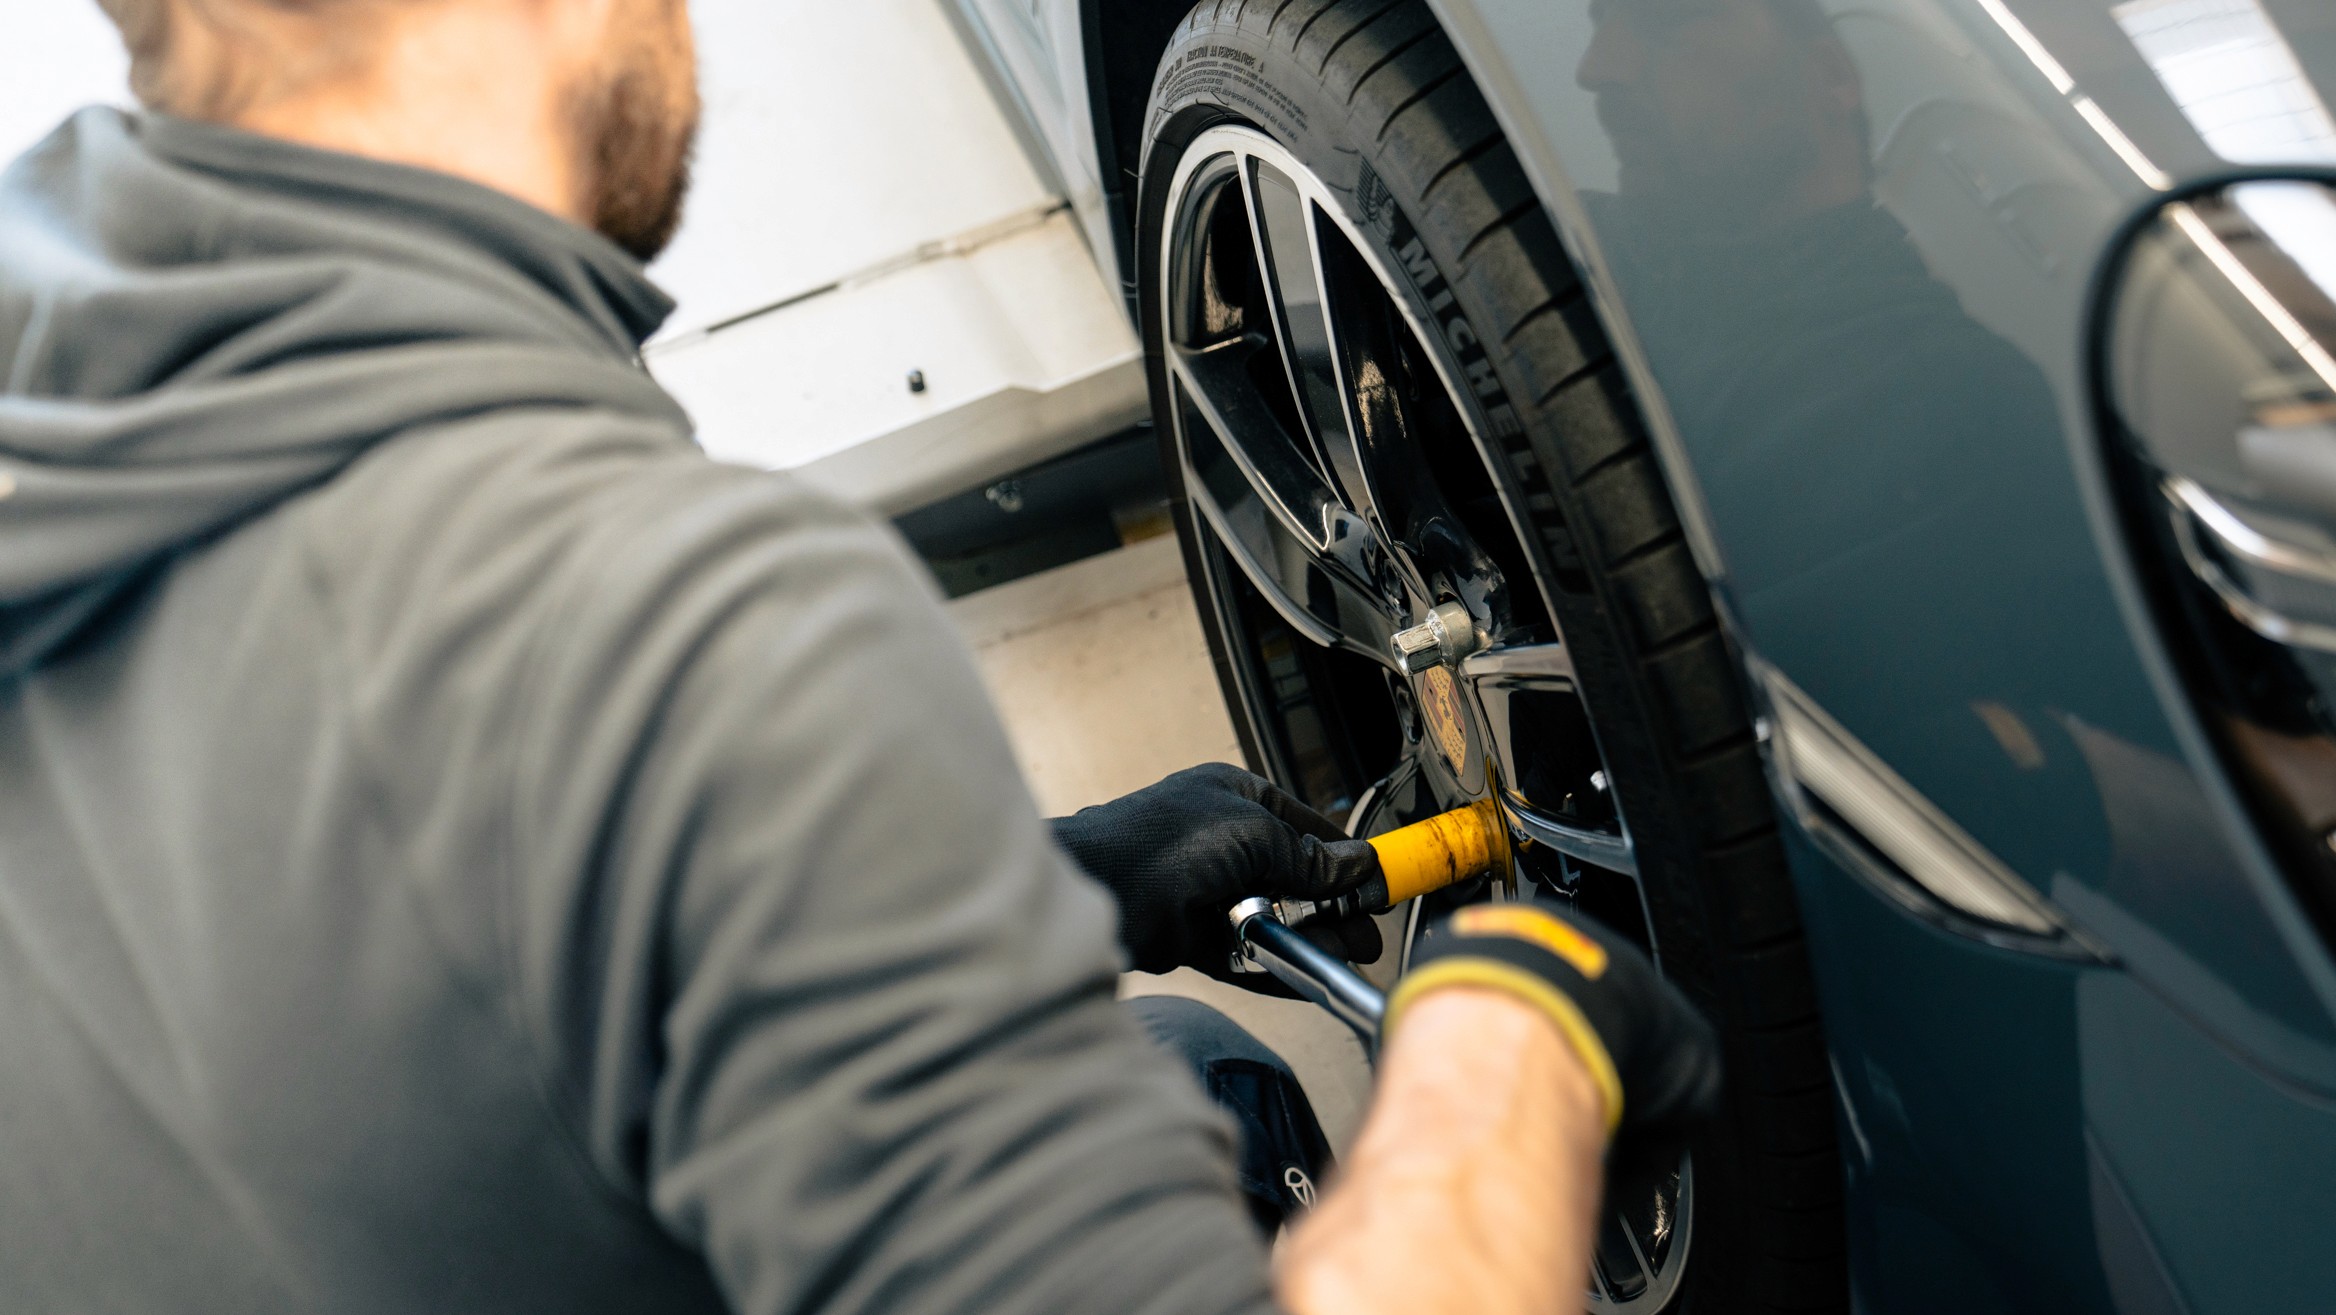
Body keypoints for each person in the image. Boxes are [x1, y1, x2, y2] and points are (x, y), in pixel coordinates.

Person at [0, 2, 1718, 1313]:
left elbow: (391, 1012)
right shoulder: (653, 616)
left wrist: (1042, 886)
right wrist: (1508, 1046)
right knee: (1216, 1100)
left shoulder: (96, 546)